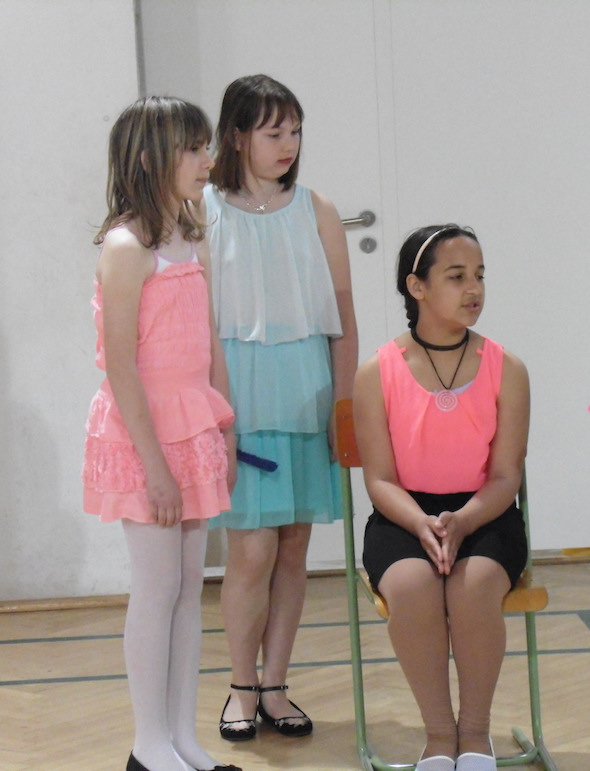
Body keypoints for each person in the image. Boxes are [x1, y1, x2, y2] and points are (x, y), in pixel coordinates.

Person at [82, 96, 241, 771]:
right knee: (155, 587)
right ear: (150, 158)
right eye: (193, 148)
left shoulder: (193, 237)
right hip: (143, 435)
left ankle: (181, 737)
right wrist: (154, 467)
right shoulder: (126, 248)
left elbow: (210, 342)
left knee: (186, 587)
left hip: (192, 426)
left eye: (206, 147)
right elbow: (121, 367)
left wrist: (224, 427)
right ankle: (147, 744)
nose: (207, 160)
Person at [203, 74, 358, 741]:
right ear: (238, 135)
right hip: (237, 395)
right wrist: (212, 411)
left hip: (307, 392)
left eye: (294, 131)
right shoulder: (203, 209)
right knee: (251, 549)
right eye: (273, 132)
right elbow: (197, 323)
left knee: (294, 547)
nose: (288, 144)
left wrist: (343, 406)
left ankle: (276, 684)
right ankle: (241, 685)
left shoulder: (316, 208)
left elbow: (342, 317)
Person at [353, 225, 530, 771]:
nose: (473, 288)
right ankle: (437, 734)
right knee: (412, 587)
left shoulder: (507, 367)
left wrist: (464, 520)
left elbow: (506, 475)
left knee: (473, 589)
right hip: (403, 516)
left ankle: (474, 733)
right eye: (456, 277)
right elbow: (380, 480)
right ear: (418, 287)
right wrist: (422, 524)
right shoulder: (377, 371)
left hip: (485, 513)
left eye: (479, 275)